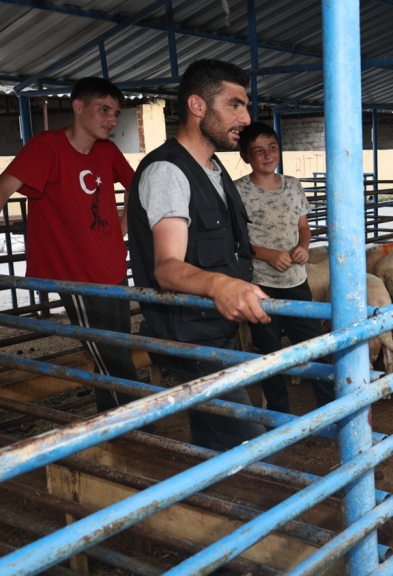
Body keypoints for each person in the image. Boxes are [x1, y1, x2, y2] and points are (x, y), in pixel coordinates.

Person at [126, 59, 269, 451]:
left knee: (215, 438)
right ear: (198, 106)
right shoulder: (169, 172)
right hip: (189, 336)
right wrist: (221, 285)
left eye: (246, 105)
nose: (246, 116)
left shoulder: (213, 167)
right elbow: (167, 267)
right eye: (235, 105)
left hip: (217, 328)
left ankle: (217, 504)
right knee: (251, 443)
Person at [0, 77, 141, 414]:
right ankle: (140, 431)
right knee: (114, 359)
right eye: (104, 109)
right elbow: (0, 190)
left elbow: (141, 188)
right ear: (78, 107)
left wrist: (120, 229)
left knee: (116, 352)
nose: (112, 119)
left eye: (116, 113)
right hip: (76, 275)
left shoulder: (107, 151)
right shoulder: (46, 147)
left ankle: (111, 424)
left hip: (112, 268)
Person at [235, 121, 334, 412]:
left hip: (296, 282)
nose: (267, 155)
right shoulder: (238, 191)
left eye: (272, 148)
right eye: (258, 151)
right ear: (245, 157)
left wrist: (303, 247)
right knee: (268, 352)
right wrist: (266, 254)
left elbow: (303, 226)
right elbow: (236, 241)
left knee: (315, 346)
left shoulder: (292, 184)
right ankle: (278, 412)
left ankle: (329, 408)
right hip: (260, 284)